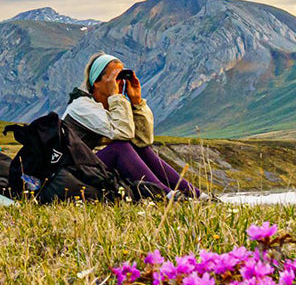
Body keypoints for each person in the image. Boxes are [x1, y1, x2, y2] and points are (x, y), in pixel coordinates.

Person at [62, 52, 201, 198]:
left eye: (122, 77)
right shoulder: (81, 106)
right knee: (119, 147)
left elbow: (143, 141)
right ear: (96, 82)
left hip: (92, 168)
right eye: (115, 78)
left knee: (140, 148)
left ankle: (196, 194)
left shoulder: (114, 106)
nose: (120, 82)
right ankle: (165, 194)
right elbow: (123, 134)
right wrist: (117, 97)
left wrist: (136, 102)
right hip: (73, 173)